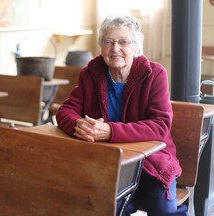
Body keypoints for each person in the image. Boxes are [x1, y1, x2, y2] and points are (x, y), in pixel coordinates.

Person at [56, 15, 188, 216]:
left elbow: (160, 125)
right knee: (101, 207)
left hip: (150, 161)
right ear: (101, 48)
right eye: (108, 42)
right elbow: (66, 111)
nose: (115, 48)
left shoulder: (155, 74)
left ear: (136, 47)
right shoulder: (90, 73)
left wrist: (110, 131)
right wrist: (79, 125)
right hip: (106, 162)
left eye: (123, 42)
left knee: (164, 210)